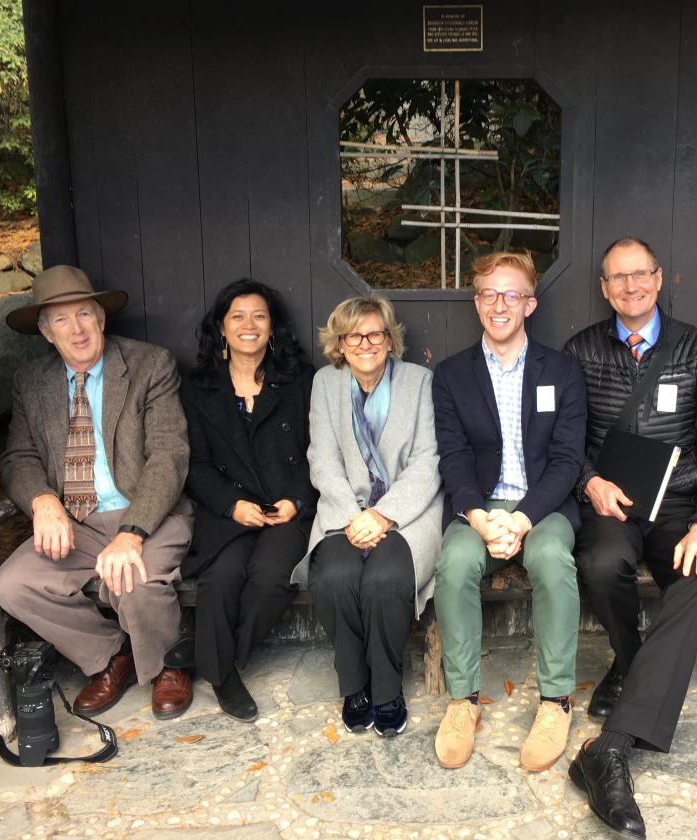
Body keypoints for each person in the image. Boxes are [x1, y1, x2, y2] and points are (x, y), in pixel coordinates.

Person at [563, 238, 697, 839]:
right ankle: (632, 660)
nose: (630, 287)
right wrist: (589, 483)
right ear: (605, 287)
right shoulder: (583, 350)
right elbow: (565, 440)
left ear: (659, 279)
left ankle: (609, 747)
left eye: (640, 275)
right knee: (600, 563)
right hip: (612, 502)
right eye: (618, 278)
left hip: (679, 504)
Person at [0, 265, 194, 720]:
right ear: (46, 332)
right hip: (75, 521)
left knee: (134, 580)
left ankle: (168, 666)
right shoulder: (32, 381)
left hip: (147, 511)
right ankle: (109, 657)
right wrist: (43, 502)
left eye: (84, 314)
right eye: (61, 320)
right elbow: (17, 458)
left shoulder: (150, 365)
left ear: (101, 318)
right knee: (13, 584)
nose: (77, 329)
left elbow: (168, 455)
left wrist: (131, 532)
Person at [431, 252, 587, 772]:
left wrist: (521, 519)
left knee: (551, 562)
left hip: (543, 505)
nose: (500, 304)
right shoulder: (452, 375)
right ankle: (463, 700)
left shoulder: (562, 370)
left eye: (512, 294)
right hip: (478, 506)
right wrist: (479, 518)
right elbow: (453, 459)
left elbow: (568, 460)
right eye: (489, 294)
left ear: (530, 303)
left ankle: (555, 701)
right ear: (477, 303)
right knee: (453, 565)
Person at [163, 279, 317, 721]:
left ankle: (209, 659)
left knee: (270, 576)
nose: (249, 325)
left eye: (260, 316)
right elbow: (193, 462)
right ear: (222, 328)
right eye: (238, 316)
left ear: (273, 327)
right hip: (227, 509)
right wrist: (232, 505)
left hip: (285, 509)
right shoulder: (198, 388)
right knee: (222, 577)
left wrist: (296, 499)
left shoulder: (300, 380)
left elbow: (319, 448)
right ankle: (224, 675)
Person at [293, 295, 442, 737]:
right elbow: (321, 458)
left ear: (389, 338)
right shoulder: (325, 383)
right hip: (343, 512)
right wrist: (351, 517)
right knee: (333, 577)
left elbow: (428, 459)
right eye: (353, 335)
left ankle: (387, 689)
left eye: (375, 332)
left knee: (384, 580)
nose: (365, 343)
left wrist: (384, 515)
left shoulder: (419, 381)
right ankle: (355, 686)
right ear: (339, 343)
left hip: (407, 515)